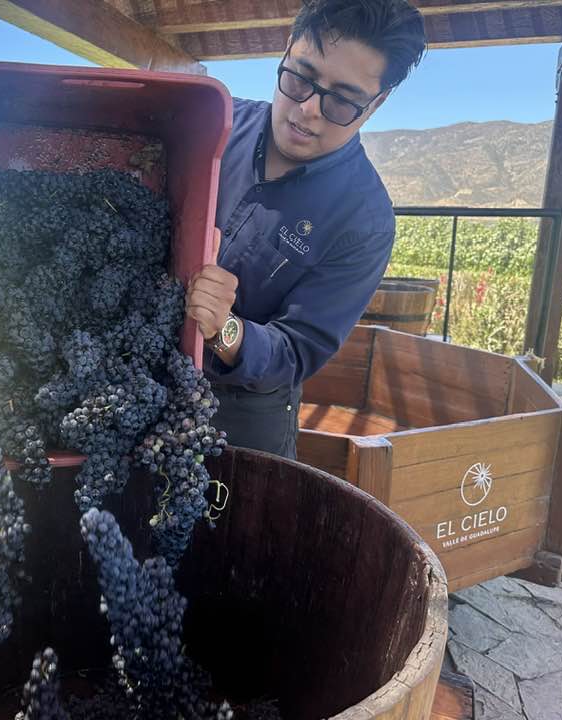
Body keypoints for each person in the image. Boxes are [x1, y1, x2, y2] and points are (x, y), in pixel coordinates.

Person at [185, 0, 427, 459]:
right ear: (285, 51)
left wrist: (225, 330)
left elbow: (296, 351)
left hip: (244, 417)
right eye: (299, 78)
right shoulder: (211, 126)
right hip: (146, 378)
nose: (308, 110)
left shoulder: (365, 220)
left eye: (340, 100)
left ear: (376, 103)